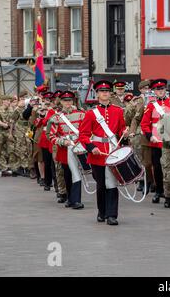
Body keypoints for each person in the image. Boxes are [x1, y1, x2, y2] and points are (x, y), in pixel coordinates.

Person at [79, 80, 128, 225]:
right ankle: (102, 211)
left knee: (112, 183)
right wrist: (91, 147)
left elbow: (121, 129)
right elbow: (83, 135)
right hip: (97, 153)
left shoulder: (118, 111)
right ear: (97, 94)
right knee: (101, 185)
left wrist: (124, 133)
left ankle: (112, 215)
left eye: (107, 91)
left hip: (113, 151)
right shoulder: (90, 113)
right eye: (102, 91)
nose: (105, 93)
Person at [49, 91, 86, 207]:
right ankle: (70, 198)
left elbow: (87, 131)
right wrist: (62, 142)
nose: (68, 103)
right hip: (64, 150)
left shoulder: (81, 114)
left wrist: (80, 141)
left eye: (70, 100)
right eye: (65, 100)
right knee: (67, 174)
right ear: (61, 102)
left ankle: (76, 200)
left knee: (77, 173)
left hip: (78, 147)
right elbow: (50, 136)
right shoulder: (55, 117)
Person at [140, 79, 170, 204]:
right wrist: (149, 136)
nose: (160, 91)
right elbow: (144, 124)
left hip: (169, 141)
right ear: (154, 91)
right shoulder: (151, 105)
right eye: (158, 89)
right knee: (157, 167)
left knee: (169, 168)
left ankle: (169, 193)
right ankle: (159, 191)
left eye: (162, 89)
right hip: (155, 140)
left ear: (165, 90)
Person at [126, 80, 154, 193]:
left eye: (149, 88)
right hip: (140, 131)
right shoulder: (137, 101)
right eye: (145, 88)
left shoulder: (154, 99)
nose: (147, 90)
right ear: (141, 89)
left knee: (154, 159)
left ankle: (153, 181)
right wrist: (132, 131)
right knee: (141, 158)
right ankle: (143, 180)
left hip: (154, 130)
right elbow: (131, 118)